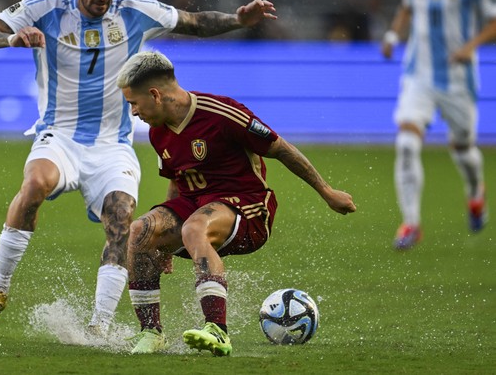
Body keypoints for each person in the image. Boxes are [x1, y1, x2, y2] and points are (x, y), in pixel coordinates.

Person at [0, 0, 278, 334]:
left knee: (121, 218)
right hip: (59, 136)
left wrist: (239, 20)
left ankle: (98, 326)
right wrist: (13, 38)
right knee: (35, 183)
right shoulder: (46, 7)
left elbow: (195, 22)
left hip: (114, 144)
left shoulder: (134, 12)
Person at [116, 51, 357, 356]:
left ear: (155, 94)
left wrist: (327, 192)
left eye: (134, 103)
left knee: (194, 228)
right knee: (139, 231)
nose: (133, 111)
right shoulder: (158, 132)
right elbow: (178, 179)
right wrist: (161, 240)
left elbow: (281, 149)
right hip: (194, 205)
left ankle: (217, 330)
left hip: (249, 208)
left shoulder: (223, 113)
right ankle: (151, 333)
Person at [381, 0, 496, 250]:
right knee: (405, 144)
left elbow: (493, 22)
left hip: (459, 80)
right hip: (419, 75)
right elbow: (406, 8)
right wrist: (391, 34)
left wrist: (469, 47)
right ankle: (411, 224)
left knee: (463, 152)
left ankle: (476, 193)